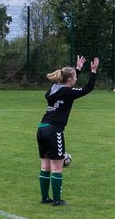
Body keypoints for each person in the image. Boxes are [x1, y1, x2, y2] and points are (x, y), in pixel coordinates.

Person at [37, 55, 99, 205]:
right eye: (75, 77)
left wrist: (77, 69)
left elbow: (67, 80)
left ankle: (45, 198)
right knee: (57, 167)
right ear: (70, 79)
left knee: (45, 165)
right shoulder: (68, 92)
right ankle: (57, 201)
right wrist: (93, 71)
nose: (76, 79)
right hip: (54, 130)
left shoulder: (53, 89)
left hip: (42, 128)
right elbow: (88, 88)